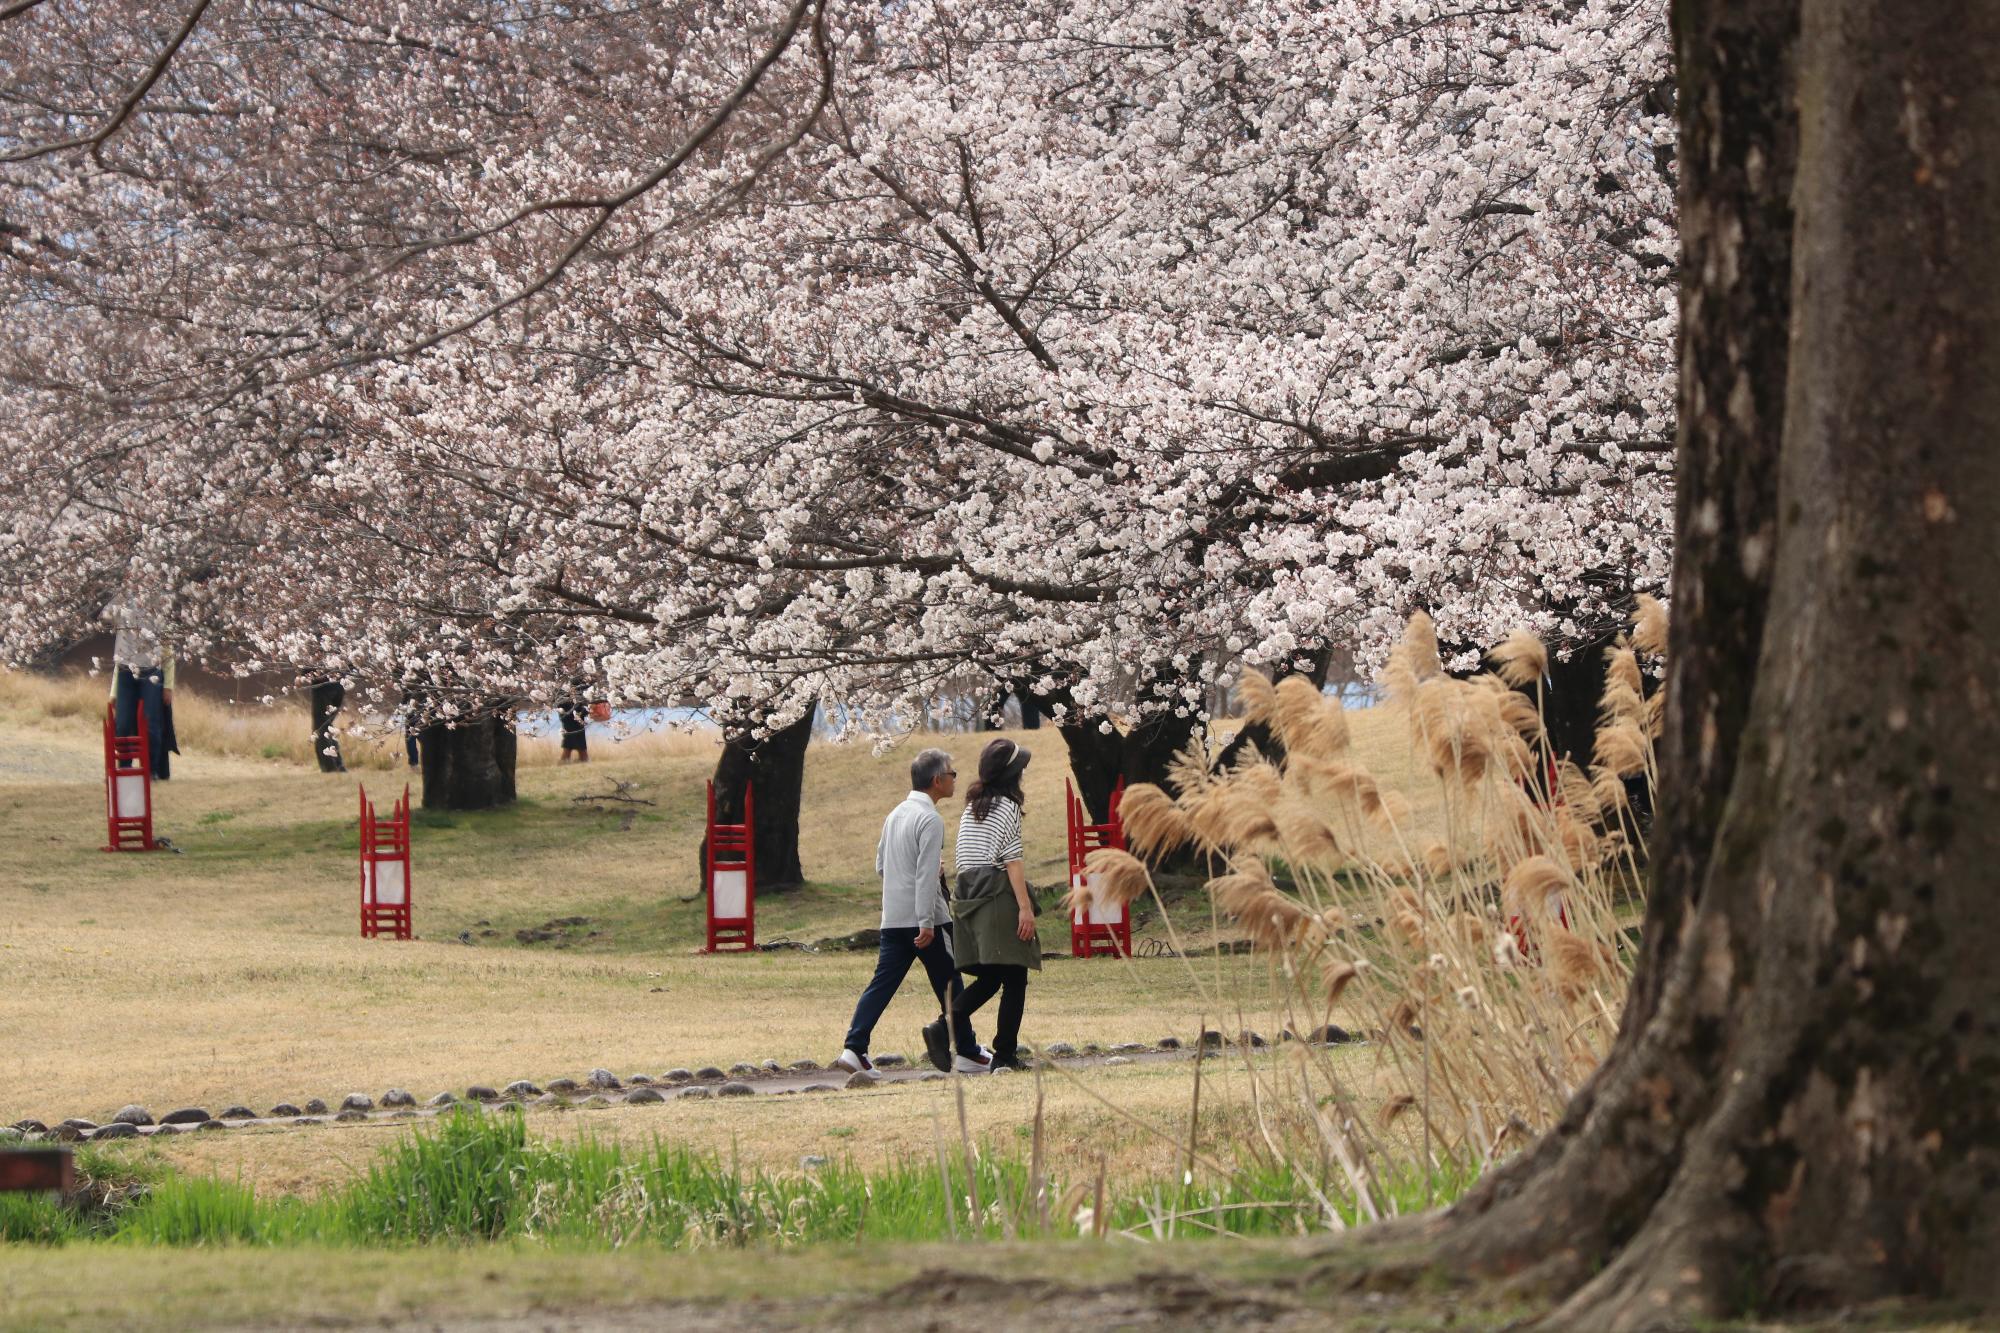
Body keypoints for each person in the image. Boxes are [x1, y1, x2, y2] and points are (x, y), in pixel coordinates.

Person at [836, 748, 988, 1077]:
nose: (953, 779)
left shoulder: (895, 815)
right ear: (937, 780)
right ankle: (967, 1051)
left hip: (893, 918)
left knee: (882, 985)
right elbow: (923, 876)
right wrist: (926, 921)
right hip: (927, 920)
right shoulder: (930, 819)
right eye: (951, 774)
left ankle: (854, 1047)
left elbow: (881, 866)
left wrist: (922, 873)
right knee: (951, 983)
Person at [947, 738, 1041, 1072]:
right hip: (997, 896)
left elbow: (964, 858)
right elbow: (1012, 861)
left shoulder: (973, 806)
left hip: (970, 895)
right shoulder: (1008, 806)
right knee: (1015, 977)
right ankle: (1004, 1056)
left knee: (990, 977)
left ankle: (944, 1023)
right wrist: (1025, 907)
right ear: (1012, 773)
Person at [100, 589, 179, 781]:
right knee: (124, 723)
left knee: (152, 723)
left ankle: (150, 769)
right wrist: (120, 596)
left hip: (152, 670)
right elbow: (105, 617)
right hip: (126, 671)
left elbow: (168, 649)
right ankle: (124, 769)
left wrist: (168, 685)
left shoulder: (160, 602)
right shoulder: (122, 600)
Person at [557, 686, 590, 764]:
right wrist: (576, 708)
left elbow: (584, 713)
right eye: (572, 691)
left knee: (582, 751)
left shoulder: (577, 701)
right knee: (567, 751)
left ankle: (584, 766)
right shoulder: (562, 703)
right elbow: (564, 717)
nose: (574, 692)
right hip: (569, 729)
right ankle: (563, 766)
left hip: (578, 728)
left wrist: (584, 709)